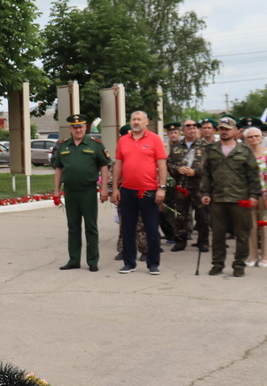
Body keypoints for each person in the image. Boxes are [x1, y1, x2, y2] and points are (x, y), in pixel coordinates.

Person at [200, 117, 261, 277]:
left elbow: (253, 175)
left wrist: (254, 195)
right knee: (218, 235)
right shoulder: (211, 149)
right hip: (218, 199)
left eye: (227, 129)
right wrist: (205, 193)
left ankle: (239, 265)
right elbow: (206, 174)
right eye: (221, 129)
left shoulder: (244, 150)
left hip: (240, 199)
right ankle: (217, 264)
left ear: (235, 131)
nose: (224, 132)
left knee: (242, 234)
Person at [52, 114, 112, 272]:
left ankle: (92, 260)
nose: (78, 129)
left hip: (88, 191)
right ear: (70, 128)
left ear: (85, 127)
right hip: (70, 191)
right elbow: (58, 168)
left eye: (81, 126)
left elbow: (104, 167)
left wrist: (104, 188)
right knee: (73, 227)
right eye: (74, 127)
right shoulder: (63, 145)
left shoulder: (95, 145)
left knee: (91, 226)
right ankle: (74, 260)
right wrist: (57, 190)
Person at [112, 111, 167, 275]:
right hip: (127, 190)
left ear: (146, 122)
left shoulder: (155, 139)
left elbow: (162, 166)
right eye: (133, 119)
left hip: (149, 190)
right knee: (127, 228)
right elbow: (118, 166)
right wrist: (115, 188)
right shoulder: (123, 140)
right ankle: (129, 263)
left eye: (139, 119)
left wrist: (162, 188)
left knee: (151, 228)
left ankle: (153, 263)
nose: (136, 122)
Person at [167, 119, 208, 253]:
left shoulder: (206, 145)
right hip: (182, 187)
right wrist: (178, 169)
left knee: (202, 215)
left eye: (194, 126)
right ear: (183, 130)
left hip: (200, 186)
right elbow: (169, 164)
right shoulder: (177, 146)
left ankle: (203, 242)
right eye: (188, 127)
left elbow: (212, 166)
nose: (192, 129)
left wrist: (195, 172)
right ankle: (180, 241)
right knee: (181, 215)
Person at [242, 126, 267, 268]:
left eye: (257, 136)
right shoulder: (243, 155)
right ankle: (253, 255)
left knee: (265, 225)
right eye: (250, 137)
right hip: (249, 195)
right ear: (246, 139)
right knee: (251, 226)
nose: (254, 139)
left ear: (262, 137)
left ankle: (265, 257)